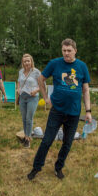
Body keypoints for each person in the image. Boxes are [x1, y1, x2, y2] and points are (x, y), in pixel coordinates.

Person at [27, 38, 92, 181]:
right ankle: (36, 168)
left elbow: (85, 90)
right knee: (47, 140)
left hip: (74, 113)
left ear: (75, 50)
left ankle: (58, 167)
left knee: (67, 143)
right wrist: (45, 97)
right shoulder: (55, 64)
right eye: (64, 50)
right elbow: (40, 79)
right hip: (57, 110)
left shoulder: (82, 66)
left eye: (69, 51)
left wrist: (88, 111)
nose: (66, 53)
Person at [17, 54, 41, 148]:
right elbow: (19, 82)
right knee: (24, 118)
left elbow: (42, 85)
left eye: (28, 61)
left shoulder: (36, 72)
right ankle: (26, 135)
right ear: (22, 62)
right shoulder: (20, 72)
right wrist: (18, 89)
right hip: (23, 97)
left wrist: (36, 90)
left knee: (29, 118)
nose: (27, 63)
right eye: (25, 61)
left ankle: (27, 138)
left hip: (32, 97)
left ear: (31, 62)